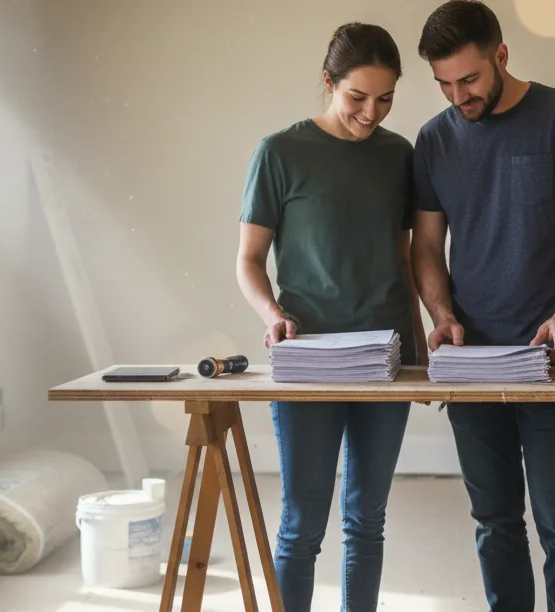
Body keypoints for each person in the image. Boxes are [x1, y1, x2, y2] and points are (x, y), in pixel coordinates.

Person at [410, 1, 555, 610]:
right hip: (471, 361)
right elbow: (426, 247)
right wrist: (442, 316)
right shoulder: (434, 140)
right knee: (494, 521)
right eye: (444, 84)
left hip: (554, 356)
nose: (458, 96)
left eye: (469, 79)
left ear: (501, 55)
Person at [235, 22, 426, 612]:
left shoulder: (398, 155)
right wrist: (272, 313)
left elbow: (403, 258)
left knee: (367, 520)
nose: (372, 113)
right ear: (328, 82)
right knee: (302, 524)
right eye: (357, 97)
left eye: (386, 98)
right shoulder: (279, 152)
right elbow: (248, 260)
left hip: (385, 358)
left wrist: (421, 349)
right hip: (308, 360)